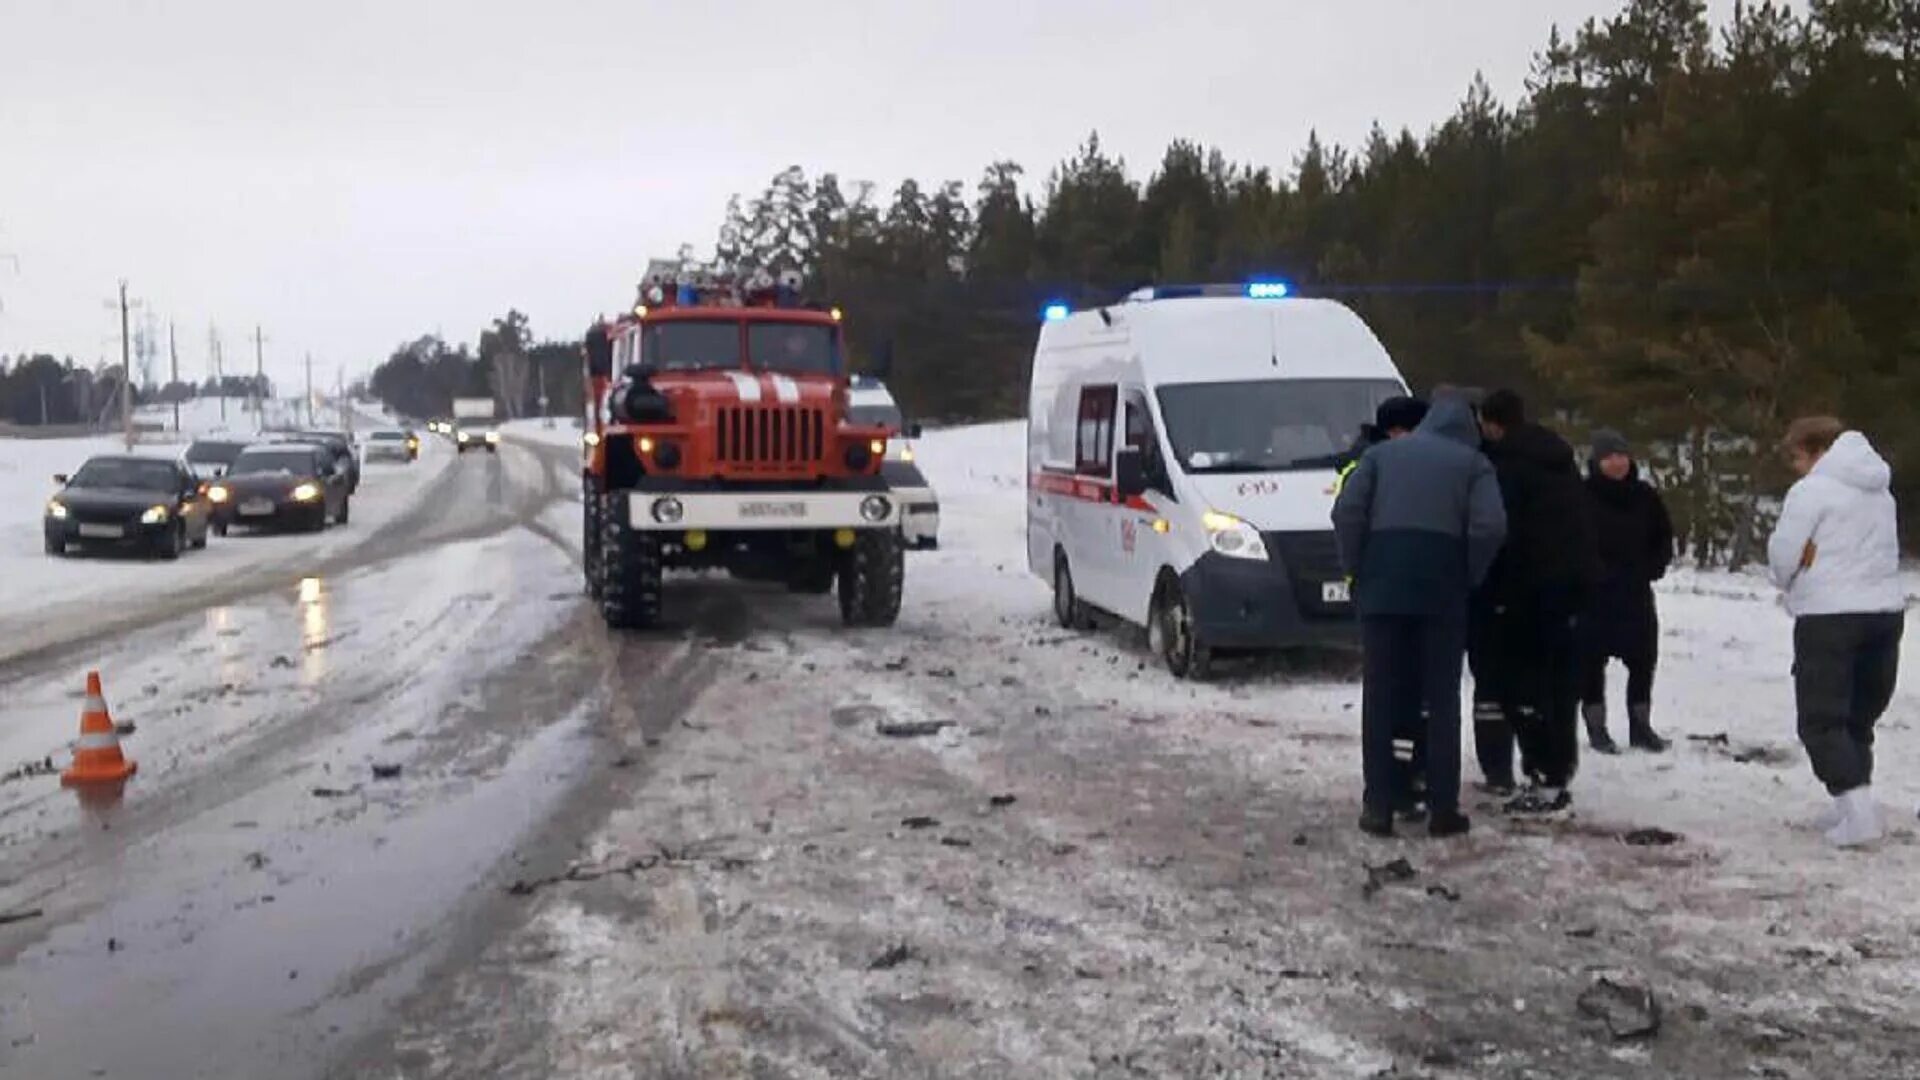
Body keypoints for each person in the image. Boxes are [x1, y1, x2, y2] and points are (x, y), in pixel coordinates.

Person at [1333, 395, 1507, 839]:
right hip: (1442, 589)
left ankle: (1379, 804)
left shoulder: (1379, 455)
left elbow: (1347, 512)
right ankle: (1443, 809)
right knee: (1442, 698)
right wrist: (1467, 571)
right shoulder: (1473, 465)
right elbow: (1490, 526)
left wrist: (1358, 567)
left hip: (1382, 586)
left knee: (1381, 694)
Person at [1766, 417, 1905, 848]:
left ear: (1813, 450)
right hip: (1884, 611)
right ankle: (1850, 803)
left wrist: (1784, 583)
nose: (1796, 468)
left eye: (1796, 458)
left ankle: (1857, 813)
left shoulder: (1811, 492)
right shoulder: (1880, 490)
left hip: (1830, 615)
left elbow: (1784, 554)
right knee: (1858, 714)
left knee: (1822, 719)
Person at [1477, 389, 1600, 815]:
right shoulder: (1561, 464)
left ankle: (1543, 774)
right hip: (1570, 590)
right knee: (1559, 687)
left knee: (1518, 687)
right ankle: (1557, 772)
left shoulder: (1505, 468)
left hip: (1523, 592)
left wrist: (1492, 589)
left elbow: (1502, 534)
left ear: (1491, 423)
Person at [1335, 396, 1432, 819]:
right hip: (1391, 590)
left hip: (1393, 589)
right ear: (1397, 431)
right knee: (1394, 694)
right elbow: (1348, 520)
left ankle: (1405, 779)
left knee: (1408, 694)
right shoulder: (1369, 467)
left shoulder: (1376, 464)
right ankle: (1391, 786)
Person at [1579, 429, 1675, 754]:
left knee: (1643, 660)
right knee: (1591, 664)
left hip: (1635, 591)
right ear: (1597, 461)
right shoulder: (1582, 496)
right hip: (1595, 595)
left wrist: (1654, 566)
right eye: (1609, 457)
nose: (1617, 462)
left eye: (1621, 455)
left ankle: (1640, 725)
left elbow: (1663, 536)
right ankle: (1596, 726)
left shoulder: (1645, 495)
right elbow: (1568, 542)